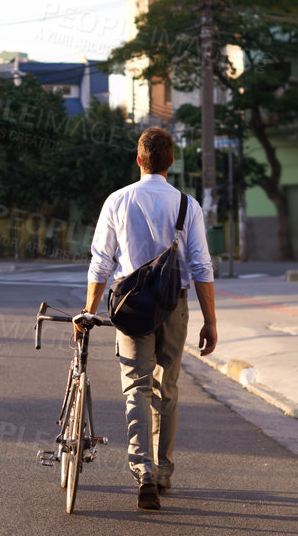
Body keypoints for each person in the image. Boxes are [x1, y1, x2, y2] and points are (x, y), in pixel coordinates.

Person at [84, 126, 216, 512]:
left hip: (130, 309)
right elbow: (201, 265)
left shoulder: (117, 201)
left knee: (136, 387)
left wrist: (89, 312)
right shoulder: (187, 206)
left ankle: (141, 471)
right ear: (171, 162)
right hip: (174, 305)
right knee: (167, 388)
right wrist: (210, 320)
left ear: (139, 160)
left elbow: (101, 261)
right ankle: (162, 472)